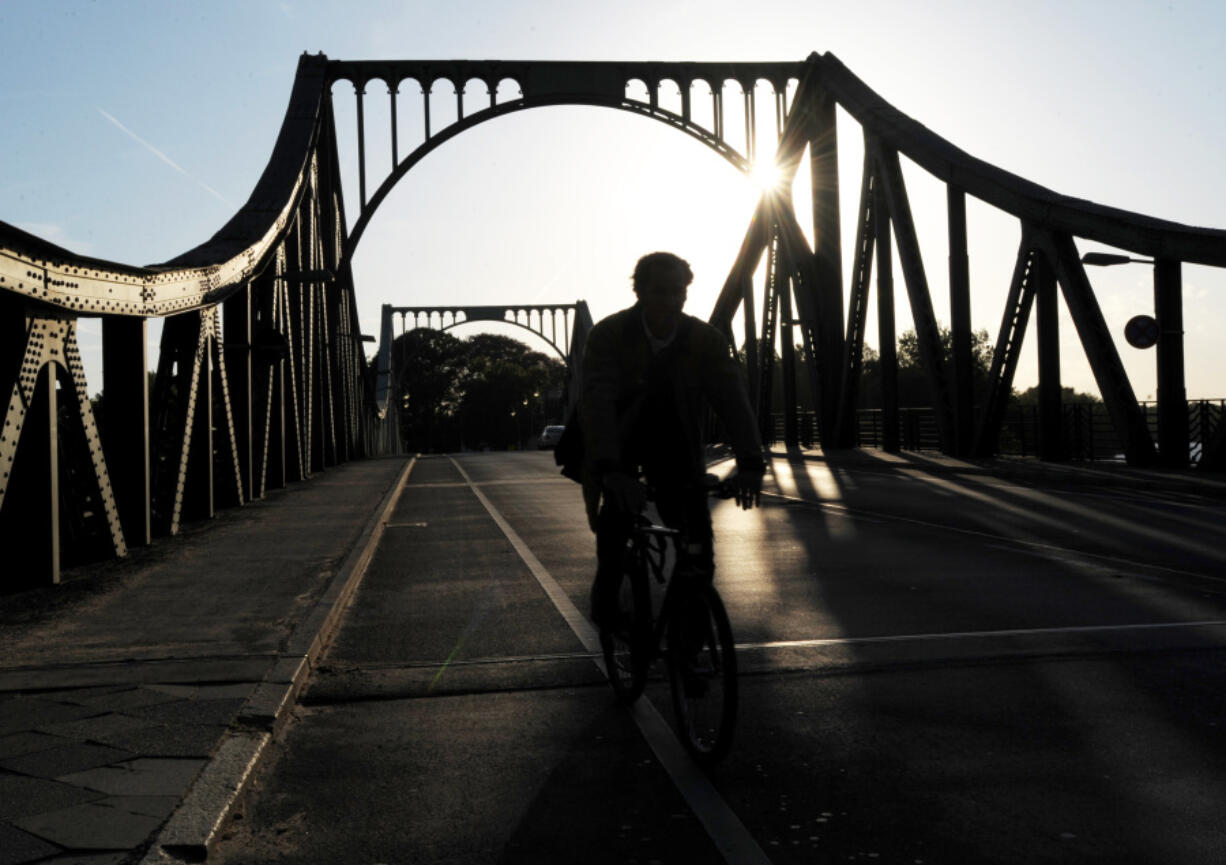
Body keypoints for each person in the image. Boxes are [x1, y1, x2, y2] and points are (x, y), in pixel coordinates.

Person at [580, 251, 765, 626]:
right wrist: (611, 471)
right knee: (615, 531)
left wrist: (750, 463)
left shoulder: (705, 340)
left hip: (676, 444)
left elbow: (733, 401)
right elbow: (597, 405)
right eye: (659, 292)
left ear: (686, 293)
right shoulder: (609, 335)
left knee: (697, 546)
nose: (669, 301)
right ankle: (607, 602)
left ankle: (689, 643)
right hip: (621, 442)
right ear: (640, 292)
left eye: (677, 292)